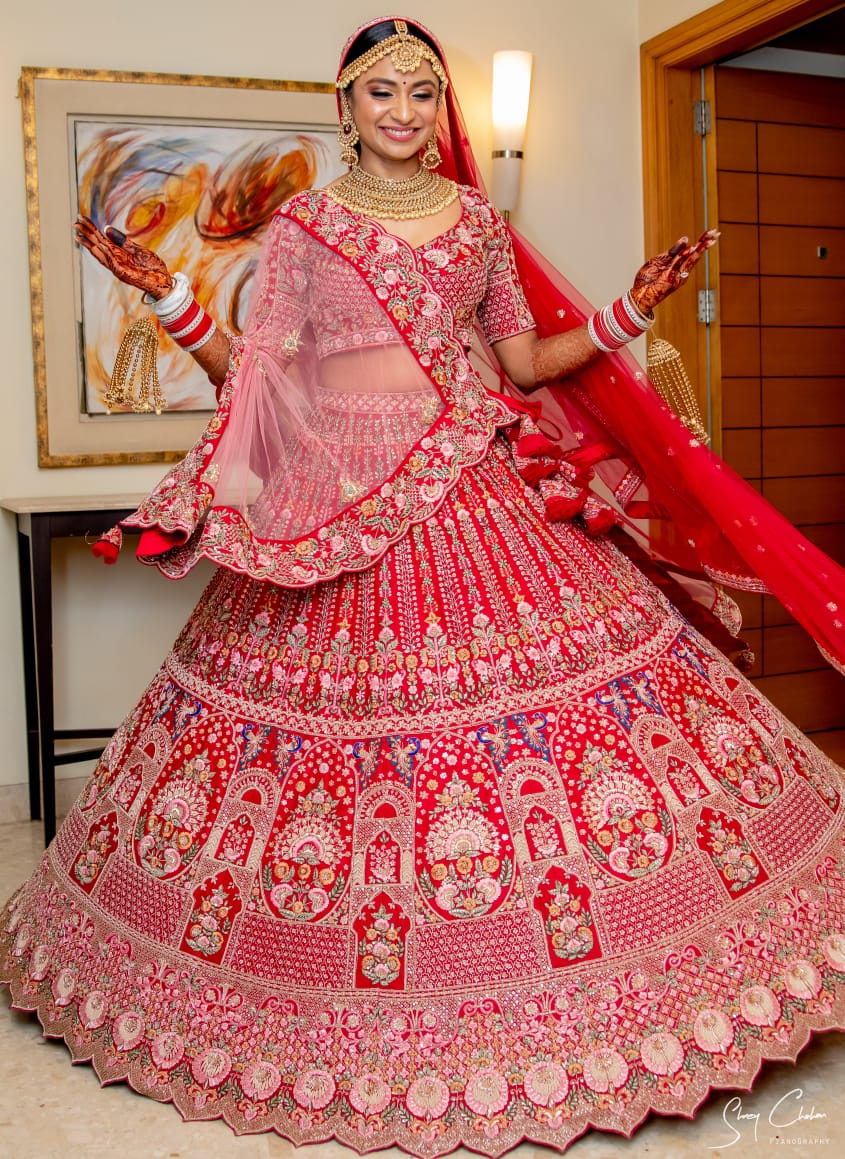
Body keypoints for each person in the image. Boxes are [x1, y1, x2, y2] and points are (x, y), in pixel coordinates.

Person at [2, 15, 844, 1157]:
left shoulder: (480, 224)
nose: (403, 113)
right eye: (381, 93)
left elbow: (519, 365)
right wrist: (172, 299)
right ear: (342, 106)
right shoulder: (306, 225)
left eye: (420, 93)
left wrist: (626, 310)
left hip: (471, 476)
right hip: (339, 490)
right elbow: (261, 381)